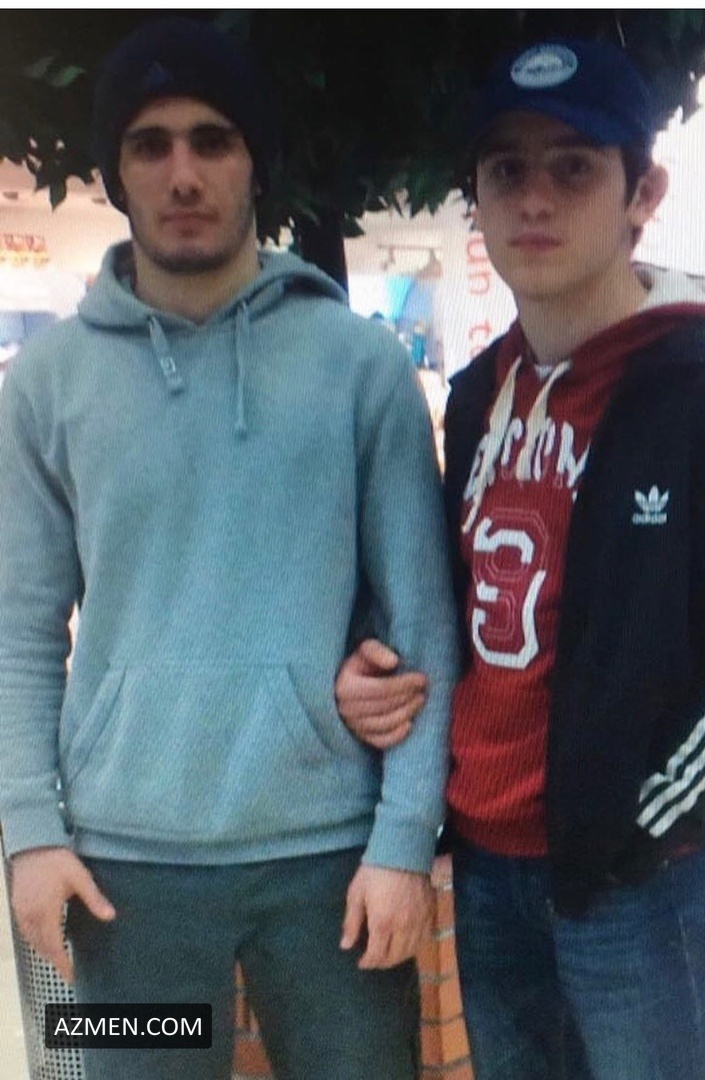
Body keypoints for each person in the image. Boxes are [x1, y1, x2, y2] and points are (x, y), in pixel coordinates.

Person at [335, 38, 705, 1080]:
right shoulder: (477, 395)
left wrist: (634, 824)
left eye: (574, 166)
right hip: (487, 870)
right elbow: (457, 606)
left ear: (640, 193)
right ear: (476, 198)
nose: (535, 198)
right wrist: (372, 666)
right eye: (506, 169)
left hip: (637, 883)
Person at [0, 17, 457, 1080]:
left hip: (331, 866)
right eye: (150, 144)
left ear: (255, 161)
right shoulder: (47, 386)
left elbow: (423, 620)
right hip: (120, 875)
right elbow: (19, 627)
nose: (183, 173)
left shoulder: (360, 367)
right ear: (116, 171)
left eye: (213, 139)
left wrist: (404, 840)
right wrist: (28, 832)